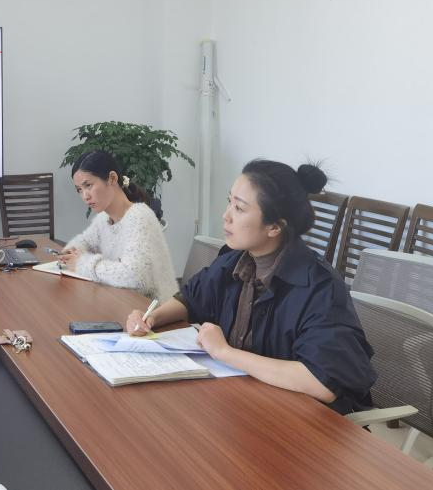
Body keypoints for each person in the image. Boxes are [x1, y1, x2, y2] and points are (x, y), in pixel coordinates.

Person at [126, 160, 376, 414]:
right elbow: (191, 299)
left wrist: (224, 352)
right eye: (229, 202)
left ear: (275, 226)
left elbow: (322, 382)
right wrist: (151, 318)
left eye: (239, 208)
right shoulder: (235, 260)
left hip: (308, 421)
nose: (226, 215)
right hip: (248, 404)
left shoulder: (320, 287)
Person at [57, 151, 178, 302]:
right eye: (79, 190)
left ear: (112, 178)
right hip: (122, 303)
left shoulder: (140, 217)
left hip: (153, 310)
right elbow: (85, 241)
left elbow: (134, 277)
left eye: (88, 185)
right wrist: (71, 252)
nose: (85, 196)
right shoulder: (103, 218)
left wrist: (82, 263)